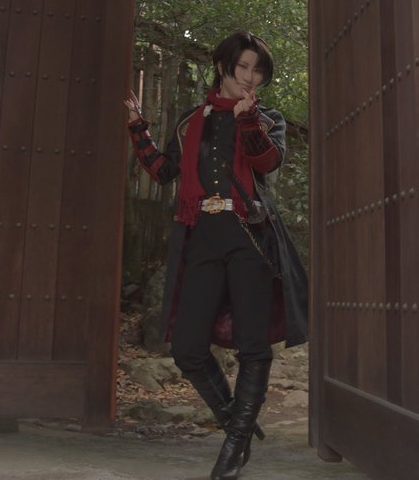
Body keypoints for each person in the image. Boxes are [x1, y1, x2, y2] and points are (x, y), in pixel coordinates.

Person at [125, 31, 308, 480]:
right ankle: (237, 427)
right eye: (243, 67)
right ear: (223, 67)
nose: (250, 77)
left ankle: (232, 449)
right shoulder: (191, 121)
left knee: (253, 347)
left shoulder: (268, 119)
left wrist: (249, 122)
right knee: (187, 348)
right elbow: (164, 171)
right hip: (202, 236)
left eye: (258, 71)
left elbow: (267, 163)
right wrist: (138, 127)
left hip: (250, 239)